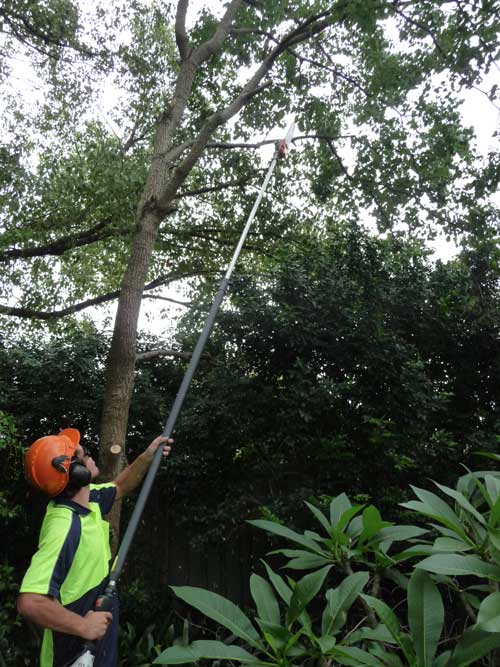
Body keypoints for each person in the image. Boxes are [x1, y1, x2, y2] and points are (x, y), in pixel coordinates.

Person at [17, 427, 173, 667]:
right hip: (70, 656)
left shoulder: (88, 501)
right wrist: (83, 625)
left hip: (93, 652)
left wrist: (147, 456)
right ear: (77, 473)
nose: (89, 456)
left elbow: (120, 486)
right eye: (83, 453)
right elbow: (30, 601)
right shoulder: (65, 527)